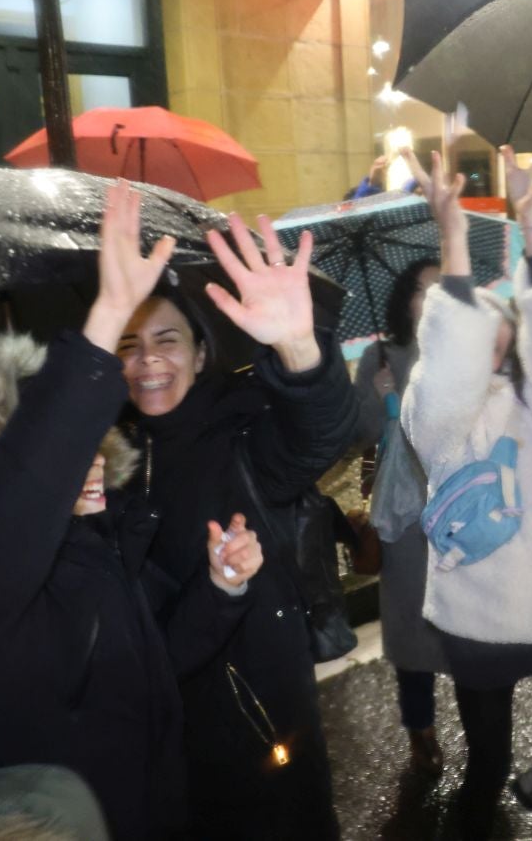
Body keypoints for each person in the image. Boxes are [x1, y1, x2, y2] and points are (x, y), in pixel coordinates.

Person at [0, 181, 263, 840]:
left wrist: (224, 589)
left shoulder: (95, 544)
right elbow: (27, 489)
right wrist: (106, 317)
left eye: (96, 445)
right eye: (72, 450)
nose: (93, 461)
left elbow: (158, 659)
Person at [115, 205, 357, 837]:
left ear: (201, 352)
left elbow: (319, 434)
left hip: (264, 712)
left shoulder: (241, 431)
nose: (147, 362)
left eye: (166, 341)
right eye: (129, 346)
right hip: (168, 723)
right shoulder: (106, 462)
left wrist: (298, 346)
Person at [398, 124, 532, 840]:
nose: (498, 333)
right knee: (483, 761)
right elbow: (448, 359)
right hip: (481, 616)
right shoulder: (442, 413)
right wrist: (453, 242)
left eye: (505, 321)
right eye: (478, 324)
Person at [350, 257, 450, 776]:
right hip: (405, 514)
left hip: (462, 510)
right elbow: (360, 432)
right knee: (412, 626)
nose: (433, 300)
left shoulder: (469, 354)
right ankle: (421, 729)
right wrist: (379, 391)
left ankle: (484, 727)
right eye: (421, 291)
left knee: (470, 628)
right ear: (405, 301)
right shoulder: (381, 356)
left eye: (443, 290)